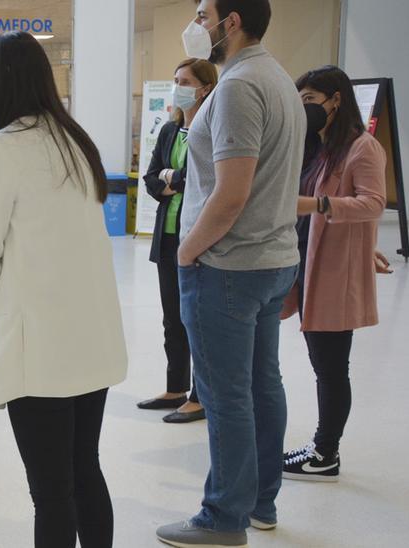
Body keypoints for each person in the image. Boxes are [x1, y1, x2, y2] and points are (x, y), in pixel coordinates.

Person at [0, 31, 127, 548]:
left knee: (50, 493)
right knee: (84, 469)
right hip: (89, 333)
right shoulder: (73, 138)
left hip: (40, 343)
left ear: (1, 80)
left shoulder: (1, 148)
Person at [156, 1, 305, 546]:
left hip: (228, 265)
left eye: (202, 14)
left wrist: (186, 252)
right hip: (270, 260)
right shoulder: (277, 77)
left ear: (231, 21)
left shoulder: (240, 86)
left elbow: (232, 191)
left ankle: (224, 516)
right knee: (263, 385)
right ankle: (259, 502)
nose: (196, 25)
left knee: (226, 396)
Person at [280, 65, 387, 482]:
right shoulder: (324, 147)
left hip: (334, 274)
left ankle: (326, 454)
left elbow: (374, 203)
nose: (305, 109)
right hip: (310, 265)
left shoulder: (363, 147)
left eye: (310, 101)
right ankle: (323, 448)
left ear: (335, 100)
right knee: (322, 361)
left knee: (330, 366)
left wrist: (318, 205)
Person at [137, 58, 217, 424]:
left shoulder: (211, 127)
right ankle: (175, 387)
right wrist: (172, 179)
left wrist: (174, 179)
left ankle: (201, 396)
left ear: (204, 87)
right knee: (172, 317)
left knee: (196, 320)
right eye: (175, 80)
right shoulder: (170, 131)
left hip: (197, 236)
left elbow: (202, 178)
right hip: (167, 236)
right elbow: (152, 178)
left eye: (184, 80)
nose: (177, 86)